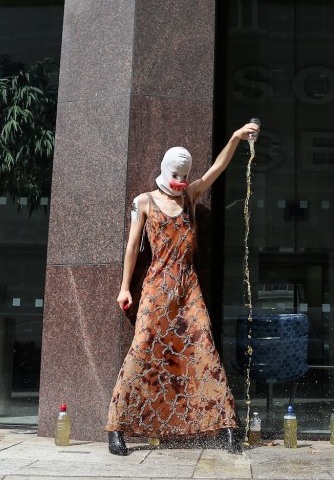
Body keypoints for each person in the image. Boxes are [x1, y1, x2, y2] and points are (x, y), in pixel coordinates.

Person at [105, 121, 260, 456]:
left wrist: (234, 136)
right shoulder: (144, 201)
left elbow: (217, 168)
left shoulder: (190, 196)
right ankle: (117, 427)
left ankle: (228, 426)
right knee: (142, 348)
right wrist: (124, 288)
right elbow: (132, 248)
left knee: (204, 348)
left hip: (188, 288)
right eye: (175, 176)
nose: (180, 182)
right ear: (164, 171)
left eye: (184, 176)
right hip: (157, 287)